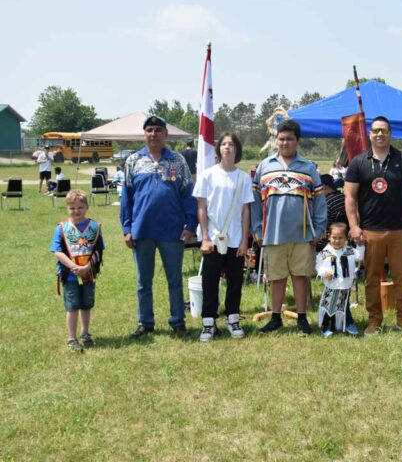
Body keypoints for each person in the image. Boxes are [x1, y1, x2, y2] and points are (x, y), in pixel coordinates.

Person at [120, 115, 197, 338]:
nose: (153, 134)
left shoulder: (177, 161)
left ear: (166, 135)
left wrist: (190, 225)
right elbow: (127, 198)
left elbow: (187, 195)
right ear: (144, 134)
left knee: (174, 279)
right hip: (142, 230)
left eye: (158, 130)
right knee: (143, 281)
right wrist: (127, 229)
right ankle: (145, 322)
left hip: (171, 231)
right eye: (149, 130)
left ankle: (177, 321)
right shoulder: (133, 161)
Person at [345, 116, 402, 335]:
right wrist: (353, 225)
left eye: (384, 131)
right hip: (370, 230)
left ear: (390, 133)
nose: (380, 134)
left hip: (400, 229)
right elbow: (349, 197)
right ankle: (374, 320)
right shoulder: (358, 162)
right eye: (376, 130)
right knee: (371, 278)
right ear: (370, 134)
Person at [251, 119, 326, 335]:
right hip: (272, 233)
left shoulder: (309, 167)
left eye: (289, 139)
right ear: (276, 141)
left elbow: (320, 202)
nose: (284, 143)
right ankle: (276, 317)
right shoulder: (265, 166)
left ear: (297, 141)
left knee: (300, 275)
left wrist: (319, 229)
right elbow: (255, 201)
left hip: (302, 233)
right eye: (281, 139)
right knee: (276, 276)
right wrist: (257, 228)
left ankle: (302, 318)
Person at [193, 133, 254, 342]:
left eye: (231, 145)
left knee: (235, 280)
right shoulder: (207, 175)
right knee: (209, 280)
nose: (227, 147)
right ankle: (208, 322)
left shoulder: (244, 178)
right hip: (212, 238)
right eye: (224, 144)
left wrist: (245, 241)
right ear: (219, 149)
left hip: (235, 239)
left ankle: (233, 318)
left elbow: (246, 210)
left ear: (237, 150)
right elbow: (202, 207)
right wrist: (205, 237)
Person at [50, 190, 105, 351]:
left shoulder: (94, 227)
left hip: (88, 274)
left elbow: (99, 251)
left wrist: (87, 267)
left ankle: (85, 334)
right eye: (72, 208)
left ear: (87, 207)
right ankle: (72, 338)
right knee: (72, 306)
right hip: (70, 275)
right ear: (67, 208)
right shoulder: (61, 228)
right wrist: (73, 266)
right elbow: (56, 251)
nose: (76, 211)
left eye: (80, 207)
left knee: (86, 305)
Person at [315, 223, 363, 337]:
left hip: (345, 286)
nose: (337, 241)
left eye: (340, 238)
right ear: (329, 237)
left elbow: (360, 256)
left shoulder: (349, 251)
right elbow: (318, 266)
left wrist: (360, 244)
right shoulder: (325, 253)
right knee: (328, 308)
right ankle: (325, 326)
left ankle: (347, 324)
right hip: (331, 286)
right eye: (334, 237)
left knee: (344, 307)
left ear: (346, 238)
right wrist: (324, 273)